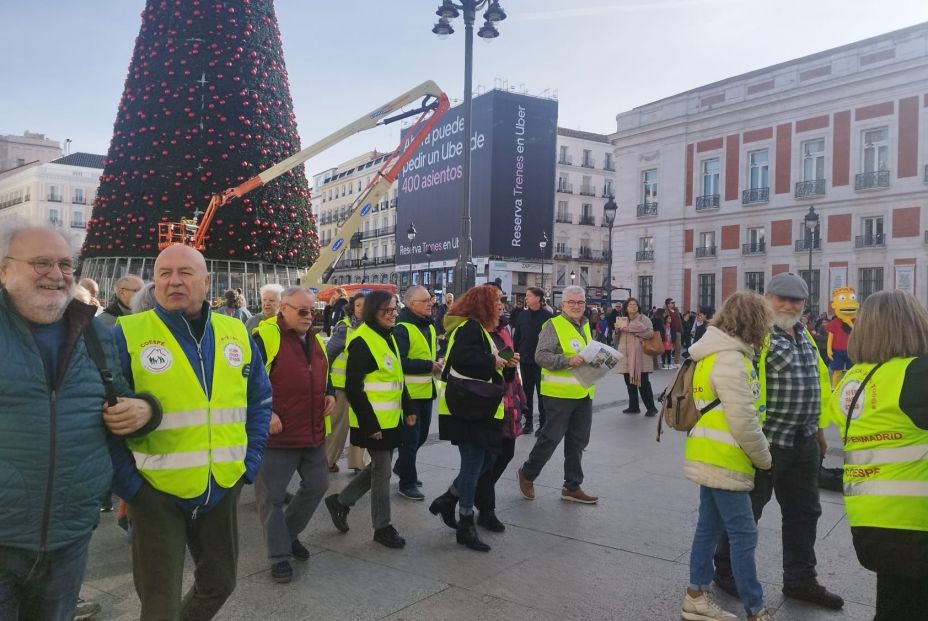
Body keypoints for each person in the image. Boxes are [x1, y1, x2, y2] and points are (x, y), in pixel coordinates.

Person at [0, 223, 160, 620]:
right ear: (4, 270)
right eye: (40, 263)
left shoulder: (95, 333)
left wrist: (145, 410)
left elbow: (120, 397)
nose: (56, 275)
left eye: (64, 264)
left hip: (70, 533)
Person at [110, 244, 272, 620]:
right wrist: (129, 486)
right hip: (154, 491)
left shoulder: (235, 331)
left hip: (222, 485)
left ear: (206, 281)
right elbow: (105, 415)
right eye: (164, 273)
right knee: (158, 603)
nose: (174, 281)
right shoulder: (128, 332)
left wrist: (249, 464)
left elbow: (260, 399)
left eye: (185, 272)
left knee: (219, 583)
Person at [713, 273, 843, 610]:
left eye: (795, 300)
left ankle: (801, 579)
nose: (788, 305)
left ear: (804, 304)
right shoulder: (756, 336)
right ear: (767, 299)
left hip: (802, 443)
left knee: (805, 513)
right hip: (765, 443)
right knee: (747, 513)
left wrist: (818, 430)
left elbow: (817, 383)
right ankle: (726, 572)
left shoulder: (806, 336)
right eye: (781, 298)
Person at [828, 290, 928, 620]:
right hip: (916, 523)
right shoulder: (915, 375)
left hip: (870, 522)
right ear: (914, 325)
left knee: (895, 604)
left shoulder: (851, 382)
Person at [682, 291, 774, 621]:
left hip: (708, 450)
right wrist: (765, 459)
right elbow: (744, 420)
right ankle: (755, 608)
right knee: (743, 533)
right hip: (727, 456)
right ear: (755, 323)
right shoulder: (732, 360)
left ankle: (695, 594)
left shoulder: (710, 353)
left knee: (708, 527)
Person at [251, 287, 335, 584]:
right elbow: (245, 382)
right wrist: (266, 413)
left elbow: (323, 372)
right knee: (272, 497)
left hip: (311, 429)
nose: (309, 316)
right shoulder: (264, 338)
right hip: (278, 433)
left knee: (318, 484)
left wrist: (330, 393)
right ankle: (279, 556)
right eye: (302, 311)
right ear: (283, 309)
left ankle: (286, 535)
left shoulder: (315, 339)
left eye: (313, 311)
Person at [429, 285, 516, 552]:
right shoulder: (469, 328)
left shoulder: (478, 328)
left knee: (484, 461)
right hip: (468, 407)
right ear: (484, 304)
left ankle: (448, 499)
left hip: (477, 406)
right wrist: (494, 362)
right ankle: (465, 523)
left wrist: (505, 362)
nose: (501, 305)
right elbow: (462, 358)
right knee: (474, 464)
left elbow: (484, 363)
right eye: (497, 301)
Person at [323, 290, 413, 549]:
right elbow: (353, 388)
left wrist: (408, 407)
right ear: (374, 311)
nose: (393, 315)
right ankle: (382, 527)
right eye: (388, 311)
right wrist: (370, 425)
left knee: (378, 468)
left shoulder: (388, 336)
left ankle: (340, 502)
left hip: (390, 418)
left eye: (395, 309)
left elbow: (396, 376)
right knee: (382, 471)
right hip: (371, 421)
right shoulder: (362, 340)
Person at [517, 285, 598, 505]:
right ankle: (527, 473)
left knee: (578, 441)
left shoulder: (586, 325)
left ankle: (572, 486)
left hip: (583, 391)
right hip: (559, 393)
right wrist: (566, 360)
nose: (576, 306)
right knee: (551, 438)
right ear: (562, 304)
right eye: (571, 302)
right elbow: (541, 356)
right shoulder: (553, 325)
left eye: (580, 302)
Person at [472, 308, 526, 532]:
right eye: (495, 301)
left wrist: (511, 366)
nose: (501, 305)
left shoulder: (504, 328)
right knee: (490, 457)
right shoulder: (476, 330)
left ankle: (472, 492)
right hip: (489, 398)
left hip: (509, 393)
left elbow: (508, 362)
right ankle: (486, 509)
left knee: (506, 452)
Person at [393, 285, 441, 501]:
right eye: (425, 301)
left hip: (426, 391)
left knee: (420, 437)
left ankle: (403, 467)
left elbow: (430, 354)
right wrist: (428, 365)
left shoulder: (428, 326)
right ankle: (407, 482)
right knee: (410, 441)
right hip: (409, 395)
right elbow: (399, 362)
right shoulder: (402, 327)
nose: (430, 303)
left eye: (430, 299)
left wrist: (438, 360)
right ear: (412, 304)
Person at [325, 292, 368, 473]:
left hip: (363, 386)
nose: (361, 309)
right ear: (352, 308)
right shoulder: (345, 327)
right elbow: (328, 355)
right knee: (338, 427)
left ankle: (359, 464)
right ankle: (327, 461)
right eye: (358, 306)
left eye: (365, 305)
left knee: (362, 425)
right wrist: (328, 386)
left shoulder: (372, 328)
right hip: (341, 387)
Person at [513, 286, 553, 435]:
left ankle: (543, 424)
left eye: (529, 296)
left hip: (541, 362)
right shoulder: (522, 316)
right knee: (526, 393)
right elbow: (517, 337)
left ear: (538, 298)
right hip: (525, 360)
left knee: (542, 394)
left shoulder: (548, 317)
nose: (526, 298)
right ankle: (528, 423)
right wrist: (515, 353)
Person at [614, 297, 658, 416]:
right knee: (629, 383)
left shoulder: (644, 319)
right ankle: (633, 407)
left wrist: (632, 330)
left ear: (638, 307)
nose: (633, 307)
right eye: (630, 305)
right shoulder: (622, 320)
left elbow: (650, 333)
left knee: (643, 383)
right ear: (626, 308)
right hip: (626, 355)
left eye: (635, 305)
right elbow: (616, 338)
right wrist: (617, 330)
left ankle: (651, 408)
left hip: (640, 356)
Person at [664, 298, 683, 367]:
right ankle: (666, 362)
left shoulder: (676, 310)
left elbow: (679, 320)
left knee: (678, 346)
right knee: (668, 346)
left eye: (673, 302)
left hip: (677, 330)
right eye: (671, 303)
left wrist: (681, 329)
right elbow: (664, 320)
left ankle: (676, 361)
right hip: (669, 330)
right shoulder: (666, 311)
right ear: (668, 304)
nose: (673, 304)